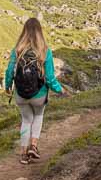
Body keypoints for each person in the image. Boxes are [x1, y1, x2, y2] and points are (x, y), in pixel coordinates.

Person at [5, 17, 64, 164]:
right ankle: (34, 145)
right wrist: (59, 89)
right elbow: (50, 78)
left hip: (20, 94)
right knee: (38, 117)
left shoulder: (17, 51)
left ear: (24, 31)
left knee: (26, 120)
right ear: (40, 32)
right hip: (39, 94)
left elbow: (9, 71)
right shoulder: (45, 51)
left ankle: (23, 154)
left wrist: (7, 86)